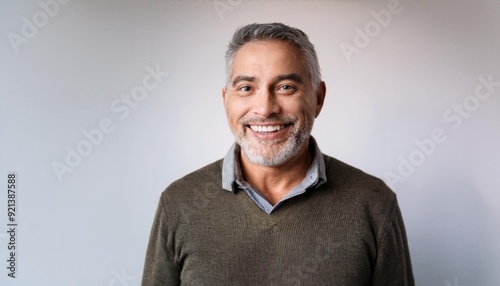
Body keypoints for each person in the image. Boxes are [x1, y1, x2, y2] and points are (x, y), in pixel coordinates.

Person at [142, 22, 414, 285]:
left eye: (286, 87)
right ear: (226, 100)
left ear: (318, 98)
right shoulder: (179, 203)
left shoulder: (374, 204)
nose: (265, 108)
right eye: (246, 88)